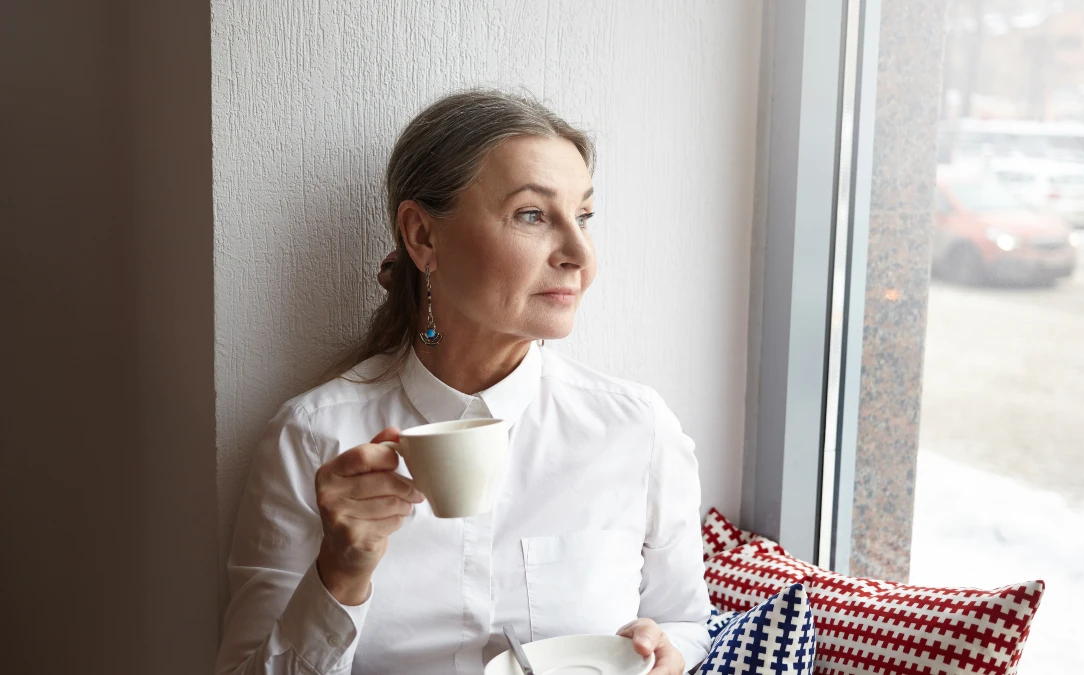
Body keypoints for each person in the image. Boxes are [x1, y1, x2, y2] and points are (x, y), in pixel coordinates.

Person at [215, 90, 712, 675]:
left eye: (583, 217)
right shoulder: (315, 437)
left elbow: (686, 621)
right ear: (423, 236)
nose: (580, 253)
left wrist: (666, 652)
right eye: (532, 215)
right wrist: (341, 573)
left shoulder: (636, 428)